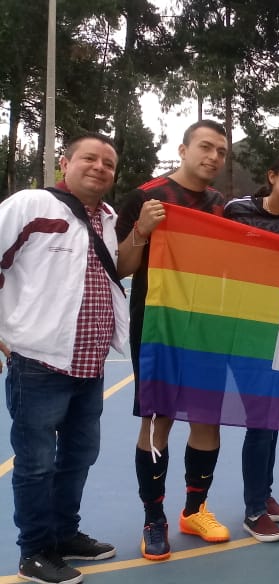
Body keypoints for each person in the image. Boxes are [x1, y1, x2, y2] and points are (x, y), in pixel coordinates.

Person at [1, 133, 125, 584]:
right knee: (35, 464)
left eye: (108, 163)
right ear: (64, 162)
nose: (99, 167)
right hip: (38, 362)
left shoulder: (108, 218)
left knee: (79, 456)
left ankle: (65, 533)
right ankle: (34, 552)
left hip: (89, 364)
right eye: (89, 158)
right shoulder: (30, 204)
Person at [116, 119, 231, 560]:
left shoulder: (223, 204)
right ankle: (154, 517)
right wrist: (142, 230)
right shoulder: (146, 196)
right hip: (158, 325)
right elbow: (123, 266)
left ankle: (194, 509)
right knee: (157, 421)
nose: (213, 157)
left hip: (210, 325)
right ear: (183, 149)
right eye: (205, 147)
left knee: (206, 419)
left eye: (220, 151)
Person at [223, 152, 279, 542]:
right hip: (248, 331)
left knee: (273, 419)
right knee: (260, 421)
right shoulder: (237, 211)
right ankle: (253, 510)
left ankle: (265, 492)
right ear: (272, 176)